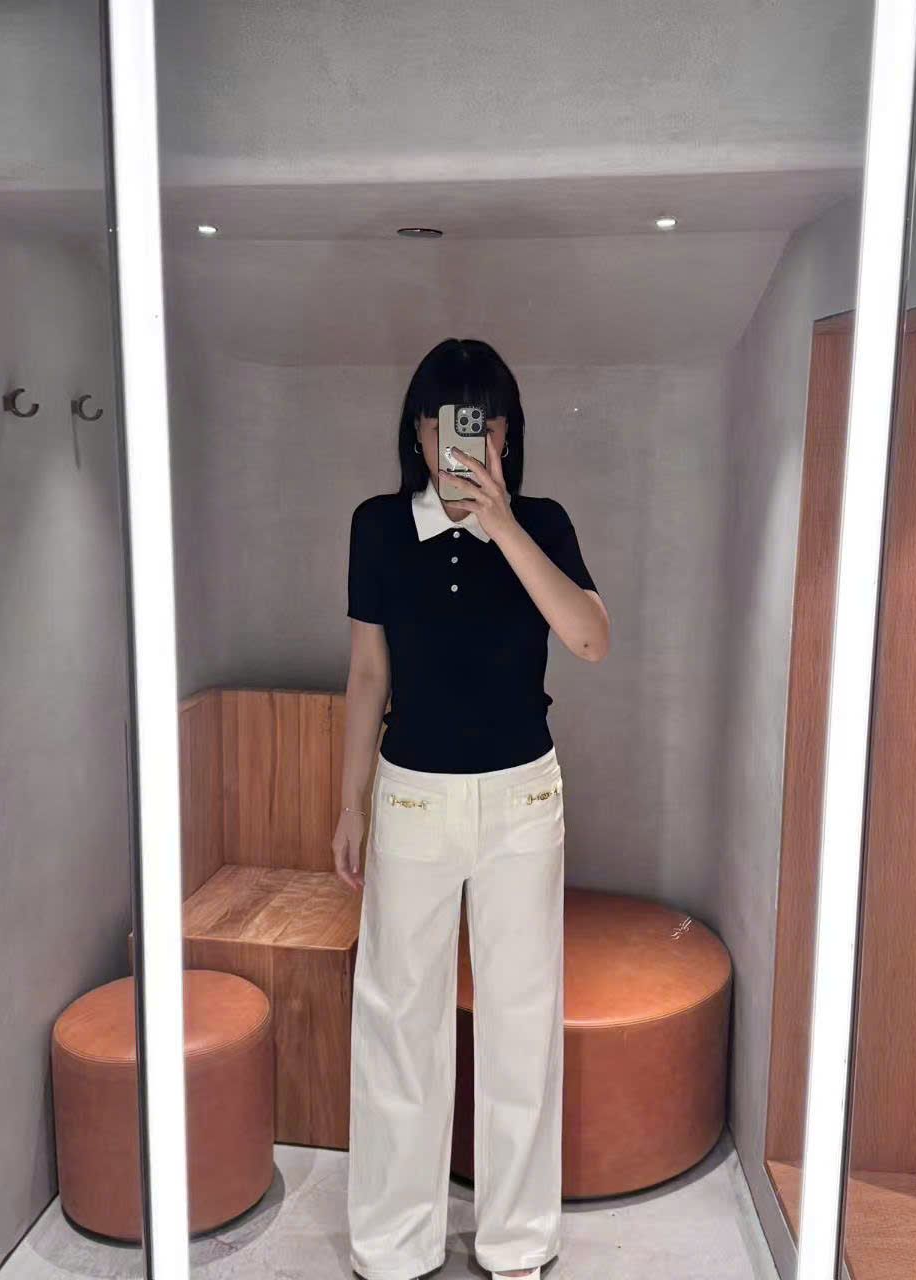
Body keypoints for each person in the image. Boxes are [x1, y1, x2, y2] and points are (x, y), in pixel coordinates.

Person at [335, 337, 610, 1280]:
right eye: (446, 419)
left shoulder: (542, 523)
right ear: (416, 432)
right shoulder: (378, 526)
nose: (464, 439)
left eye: (483, 422)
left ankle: (518, 1241)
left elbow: (590, 639)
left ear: (506, 434)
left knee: (522, 1022)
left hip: (522, 799)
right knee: (397, 1020)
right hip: (411, 796)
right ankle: (391, 1243)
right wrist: (350, 805)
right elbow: (367, 673)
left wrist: (504, 526)